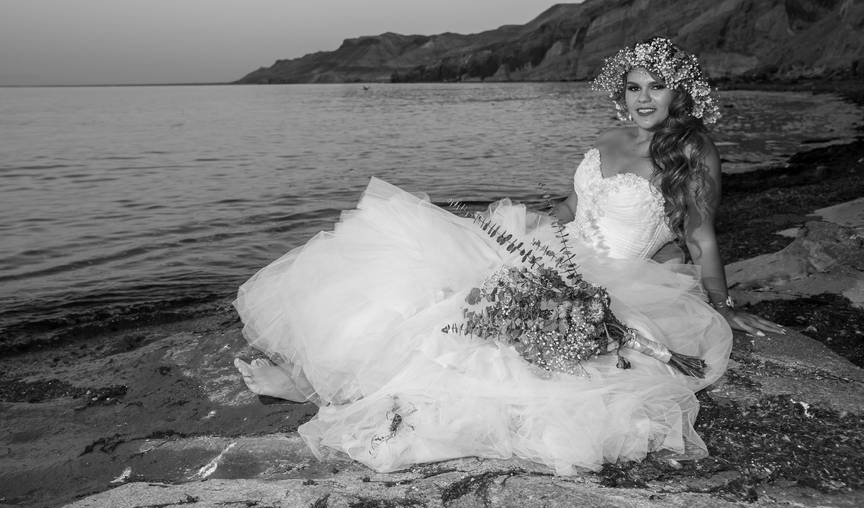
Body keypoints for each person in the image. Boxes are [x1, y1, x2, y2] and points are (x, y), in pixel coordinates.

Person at [233, 37, 785, 475]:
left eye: (656, 88)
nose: (642, 98)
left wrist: (720, 304)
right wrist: (532, 220)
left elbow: (701, 237)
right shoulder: (611, 136)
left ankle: (320, 396)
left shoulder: (691, 149)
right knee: (421, 263)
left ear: (679, 93)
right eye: (634, 87)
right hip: (554, 249)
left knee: (485, 342)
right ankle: (318, 381)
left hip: (608, 276)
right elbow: (575, 205)